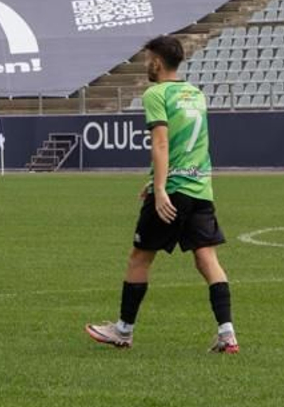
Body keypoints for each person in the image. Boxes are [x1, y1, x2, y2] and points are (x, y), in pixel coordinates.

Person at [86, 36, 238, 353]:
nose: (145, 64)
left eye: (147, 58)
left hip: (172, 192)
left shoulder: (156, 94)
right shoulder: (195, 93)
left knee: (140, 258)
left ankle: (123, 331)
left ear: (157, 61)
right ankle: (227, 334)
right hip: (200, 188)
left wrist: (159, 188)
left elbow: (162, 143)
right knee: (207, 259)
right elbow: (192, 145)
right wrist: (156, 178)